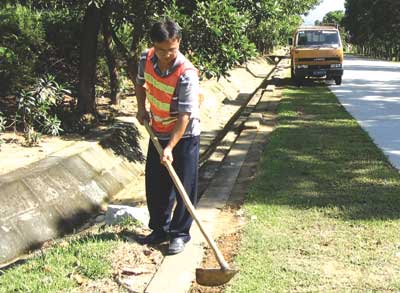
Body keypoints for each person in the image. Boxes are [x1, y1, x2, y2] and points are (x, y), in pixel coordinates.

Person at [135, 20, 201, 255]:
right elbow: (140, 83)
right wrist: (141, 108)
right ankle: (159, 229)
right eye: (161, 49)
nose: (165, 55)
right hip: (157, 128)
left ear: (178, 43)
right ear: (153, 45)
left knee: (184, 185)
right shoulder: (146, 58)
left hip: (184, 135)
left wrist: (170, 147)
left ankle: (179, 234)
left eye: (171, 50)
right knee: (155, 184)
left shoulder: (187, 74)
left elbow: (185, 116)